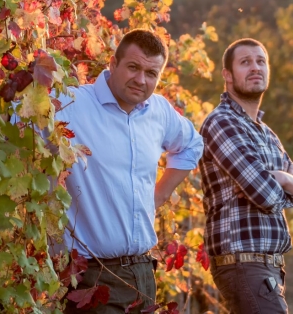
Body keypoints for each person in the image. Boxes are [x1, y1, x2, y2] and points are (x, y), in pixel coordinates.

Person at [59, 29, 204, 313]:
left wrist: (160, 195)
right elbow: (17, 120)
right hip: (93, 276)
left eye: (152, 73)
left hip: (144, 273)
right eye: (133, 67)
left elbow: (191, 146)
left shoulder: (158, 111)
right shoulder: (72, 104)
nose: (141, 80)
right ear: (113, 64)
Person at [198, 38, 293, 314]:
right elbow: (265, 196)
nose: (255, 67)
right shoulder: (221, 122)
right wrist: (285, 188)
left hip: (269, 269)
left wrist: (285, 180)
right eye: (245, 62)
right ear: (227, 75)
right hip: (243, 264)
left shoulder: (266, 134)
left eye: (261, 61)